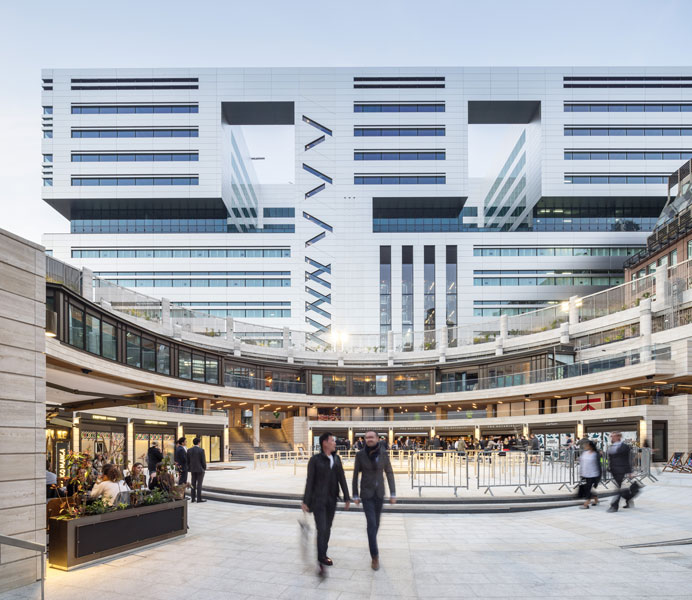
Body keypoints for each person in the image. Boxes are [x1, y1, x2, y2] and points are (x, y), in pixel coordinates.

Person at [302, 432, 351, 569]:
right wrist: (305, 501)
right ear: (325, 443)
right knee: (322, 528)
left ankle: (322, 553)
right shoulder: (315, 460)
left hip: (332, 500)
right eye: (332, 441)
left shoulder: (337, 459)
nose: (335, 443)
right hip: (318, 500)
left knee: (327, 528)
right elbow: (310, 481)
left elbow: (342, 478)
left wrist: (347, 497)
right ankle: (321, 556)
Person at [352, 430, 396, 571]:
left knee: (376, 524)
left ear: (377, 438)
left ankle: (372, 542)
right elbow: (355, 475)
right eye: (367, 437)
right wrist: (355, 494)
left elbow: (389, 472)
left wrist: (393, 493)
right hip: (366, 494)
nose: (369, 439)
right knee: (371, 524)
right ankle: (375, 556)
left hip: (379, 494)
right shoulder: (360, 455)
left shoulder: (383, 453)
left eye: (371, 437)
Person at [607, 431, 633, 512]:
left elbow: (627, 459)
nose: (612, 438)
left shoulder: (624, 447)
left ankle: (614, 506)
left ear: (619, 437)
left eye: (614, 436)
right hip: (614, 469)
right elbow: (611, 459)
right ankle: (629, 498)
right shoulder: (611, 446)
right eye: (611, 436)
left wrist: (629, 471)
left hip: (621, 469)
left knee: (618, 488)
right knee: (619, 486)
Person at [578, 440, 601, 509]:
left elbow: (599, 465)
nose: (585, 446)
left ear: (591, 446)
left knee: (588, 489)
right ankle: (596, 500)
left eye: (587, 445)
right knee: (588, 488)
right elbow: (582, 463)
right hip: (585, 474)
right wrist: (581, 473)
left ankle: (586, 504)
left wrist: (599, 476)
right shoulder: (584, 453)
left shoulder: (595, 454)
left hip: (593, 474)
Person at [187, 437, 207, 503]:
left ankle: (193, 498)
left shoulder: (189, 450)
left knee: (193, 483)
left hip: (193, 469)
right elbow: (203, 461)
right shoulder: (201, 450)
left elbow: (188, 461)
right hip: (200, 469)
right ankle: (199, 499)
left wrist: (189, 467)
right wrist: (204, 468)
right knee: (199, 484)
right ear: (199, 443)